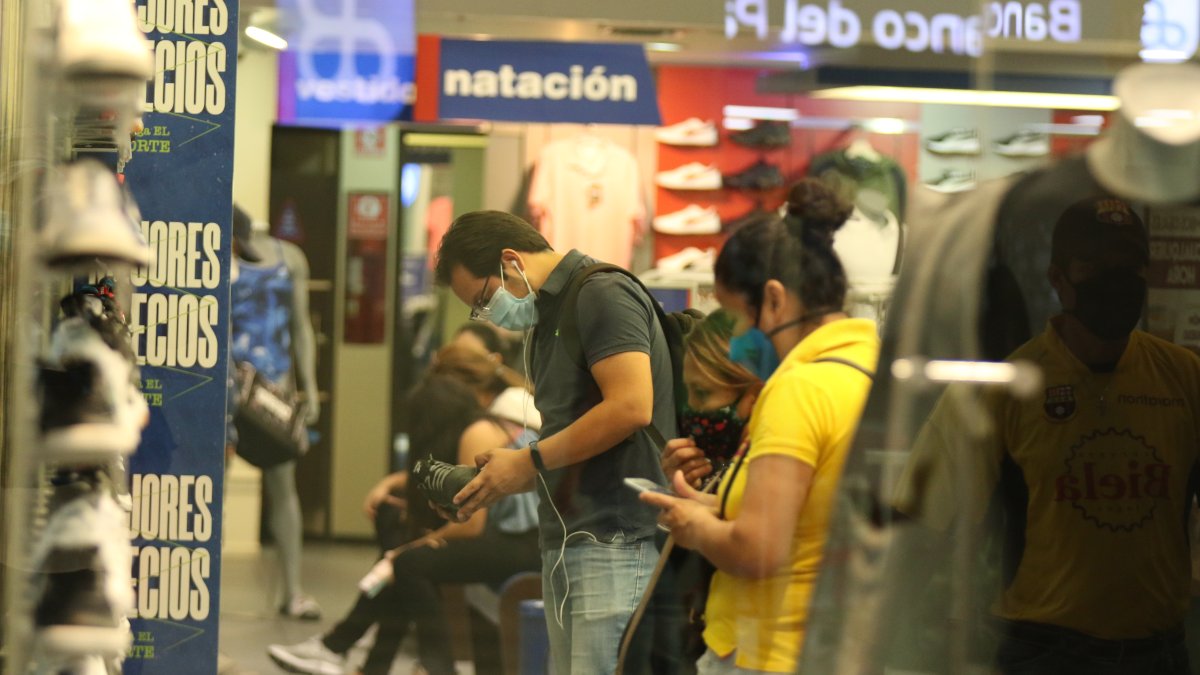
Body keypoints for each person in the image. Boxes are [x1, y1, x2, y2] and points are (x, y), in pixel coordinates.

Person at [895, 197, 1199, 674]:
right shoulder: (998, 391)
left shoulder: (1184, 379)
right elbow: (918, 532)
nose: (1115, 280)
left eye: (1128, 266)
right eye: (1093, 266)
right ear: (1059, 278)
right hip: (1045, 654)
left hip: (1157, 654)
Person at [641, 178, 880, 674]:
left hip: (771, 651)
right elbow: (816, 514)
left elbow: (758, 548)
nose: (735, 344)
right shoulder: (871, 369)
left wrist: (695, 526)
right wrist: (714, 501)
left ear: (773, 300)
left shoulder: (800, 389)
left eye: (734, 317)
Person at [433, 210, 675, 675]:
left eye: (485, 298)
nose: (490, 316)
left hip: (617, 538)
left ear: (511, 260)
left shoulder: (602, 293)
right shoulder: (550, 316)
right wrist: (501, 479)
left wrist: (530, 460)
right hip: (571, 538)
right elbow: (576, 438)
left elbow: (630, 407)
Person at [267, 369, 541, 675]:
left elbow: (471, 525)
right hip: (516, 541)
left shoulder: (476, 432)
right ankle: (360, 658)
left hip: (526, 545)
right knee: (402, 552)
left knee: (408, 563)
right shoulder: (479, 426)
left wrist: (411, 548)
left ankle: (423, 665)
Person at [228, 204, 322, 620]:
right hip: (229, 381)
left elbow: (301, 325)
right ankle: (207, 589)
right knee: (215, 485)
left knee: (284, 486)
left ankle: (293, 590)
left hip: (276, 385)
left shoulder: (290, 259)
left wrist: (310, 385)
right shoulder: (215, 254)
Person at [662, 309, 764, 490]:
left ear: (755, 396)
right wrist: (683, 489)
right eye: (688, 392)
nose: (691, 407)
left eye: (702, 393)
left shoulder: (778, 476)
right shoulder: (722, 470)